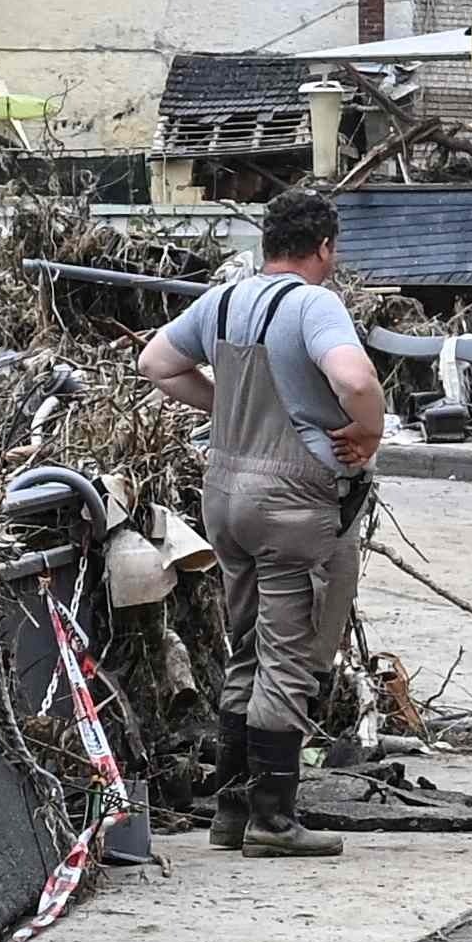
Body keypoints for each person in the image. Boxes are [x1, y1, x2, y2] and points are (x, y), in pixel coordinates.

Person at [139, 187, 391, 858]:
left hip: (225, 494)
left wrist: (224, 408)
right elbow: (356, 380)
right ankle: (273, 822)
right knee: (289, 657)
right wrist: (368, 430)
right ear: (325, 248)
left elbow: (155, 364)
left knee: (246, 647)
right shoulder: (314, 305)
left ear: (266, 243)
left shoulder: (223, 300)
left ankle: (230, 810)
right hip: (292, 503)